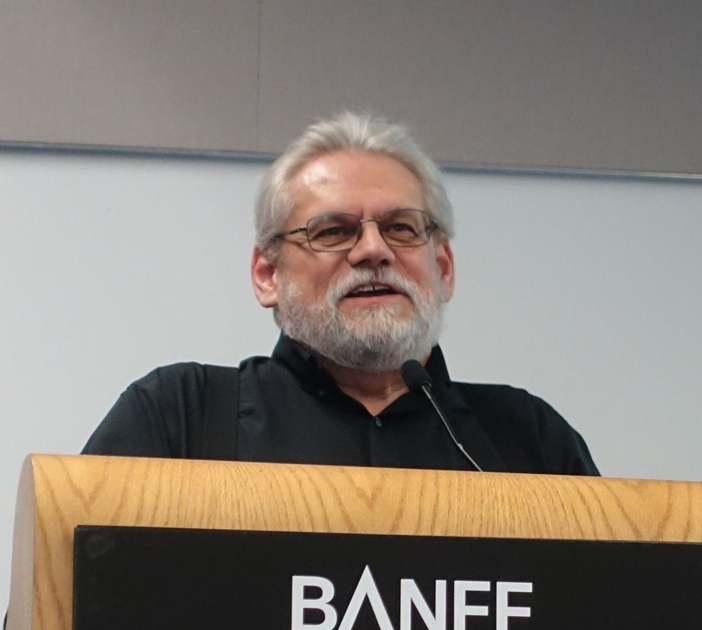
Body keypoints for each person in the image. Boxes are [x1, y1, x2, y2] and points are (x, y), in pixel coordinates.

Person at [83, 112, 597, 475]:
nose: (373, 250)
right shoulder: (180, 420)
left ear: (443, 268)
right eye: (332, 232)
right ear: (268, 274)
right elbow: (53, 615)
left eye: (401, 228)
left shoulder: (527, 440)